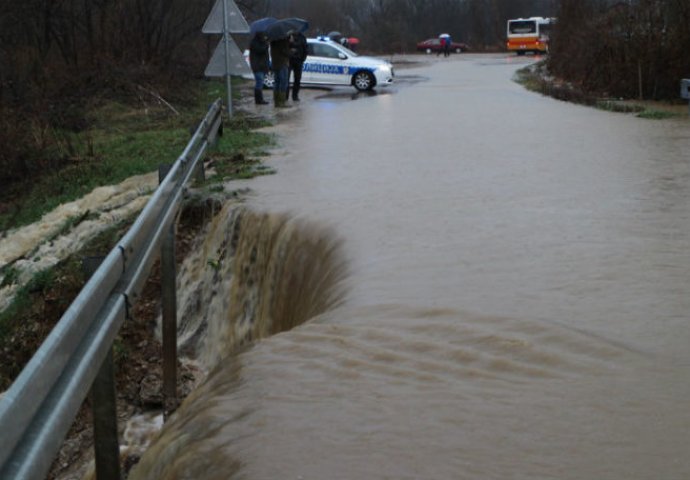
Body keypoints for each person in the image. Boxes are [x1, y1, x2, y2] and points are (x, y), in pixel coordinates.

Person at [270, 35, 291, 108]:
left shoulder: (273, 41)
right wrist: (291, 49)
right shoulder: (282, 41)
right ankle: (282, 102)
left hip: (275, 64)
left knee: (277, 82)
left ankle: (276, 102)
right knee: (283, 82)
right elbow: (286, 52)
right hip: (282, 64)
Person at [249, 32, 270, 105]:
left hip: (262, 66)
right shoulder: (255, 43)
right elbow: (260, 50)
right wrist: (266, 45)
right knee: (259, 83)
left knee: (260, 83)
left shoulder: (262, 42)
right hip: (257, 66)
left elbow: (266, 56)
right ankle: (259, 100)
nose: (264, 37)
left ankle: (259, 99)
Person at [287, 31, 308, 102]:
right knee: (286, 79)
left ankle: (295, 96)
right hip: (289, 60)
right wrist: (290, 42)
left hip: (299, 60)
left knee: (297, 79)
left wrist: (303, 58)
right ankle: (285, 96)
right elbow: (285, 47)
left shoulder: (302, 37)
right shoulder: (289, 36)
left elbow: (305, 48)